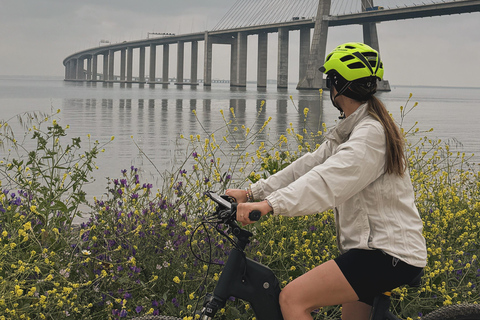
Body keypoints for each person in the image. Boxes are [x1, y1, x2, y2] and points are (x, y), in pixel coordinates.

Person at [225, 42, 427, 320]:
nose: (327, 89)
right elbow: (309, 166)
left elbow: (326, 181)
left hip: (386, 254)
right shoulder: (353, 129)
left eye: (329, 81)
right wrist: (252, 192)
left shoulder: (369, 135)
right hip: (370, 251)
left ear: (339, 86)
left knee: (293, 300)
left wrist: (271, 204)